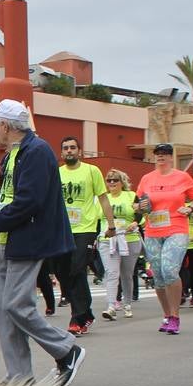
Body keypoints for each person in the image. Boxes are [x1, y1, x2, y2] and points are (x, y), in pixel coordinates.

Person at [0, 100, 84, 386]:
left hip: (28, 239)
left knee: (17, 306)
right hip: (8, 239)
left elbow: (30, 200)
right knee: (3, 311)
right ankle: (19, 378)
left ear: (5, 125)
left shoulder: (37, 151)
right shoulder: (13, 154)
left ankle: (66, 350)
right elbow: (5, 193)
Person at [135, 143, 193, 335]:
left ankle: (175, 316)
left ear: (171, 157)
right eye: (157, 153)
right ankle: (166, 315)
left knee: (169, 270)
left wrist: (190, 208)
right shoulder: (147, 178)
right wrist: (140, 207)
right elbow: (137, 203)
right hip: (153, 230)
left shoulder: (182, 177)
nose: (161, 156)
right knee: (157, 275)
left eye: (165, 153)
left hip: (176, 228)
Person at [57, 137, 114, 334]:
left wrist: (111, 225)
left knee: (77, 269)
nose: (69, 151)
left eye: (73, 148)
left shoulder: (92, 171)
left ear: (79, 151)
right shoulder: (57, 173)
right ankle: (86, 313)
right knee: (63, 272)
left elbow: (103, 199)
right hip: (63, 229)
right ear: (61, 153)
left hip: (86, 228)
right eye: (65, 148)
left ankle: (77, 317)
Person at [99, 169, 142, 321]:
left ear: (121, 182)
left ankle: (127, 304)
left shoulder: (131, 195)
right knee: (111, 273)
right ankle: (111, 307)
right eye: (109, 180)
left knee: (126, 274)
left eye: (115, 180)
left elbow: (140, 213)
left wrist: (135, 223)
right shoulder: (102, 198)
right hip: (107, 240)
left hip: (129, 239)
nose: (112, 183)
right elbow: (96, 218)